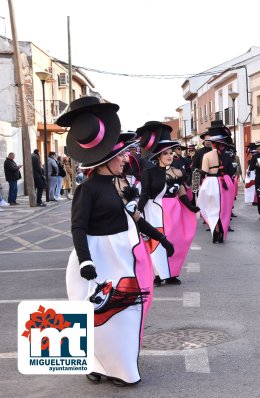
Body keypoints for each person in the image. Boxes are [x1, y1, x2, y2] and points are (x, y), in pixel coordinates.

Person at [57, 97, 175, 386]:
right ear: (107, 161)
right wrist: (85, 260)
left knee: (124, 316)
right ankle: (96, 364)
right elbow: (78, 227)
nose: (125, 159)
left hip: (121, 258)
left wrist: (161, 238)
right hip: (96, 259)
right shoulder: (87, 190)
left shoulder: (116, 186)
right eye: (121, 156)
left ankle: (119, 367)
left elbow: (134, 217)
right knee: (96, 315)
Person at [138, 124, 199, 286]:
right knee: (158, 242)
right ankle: (159, 274)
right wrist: (137, 212)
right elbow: (144, 194)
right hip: (155, 210)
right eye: (166, 153)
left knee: (177, 241)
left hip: (175, 211)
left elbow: (180, 192)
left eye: (171, 153)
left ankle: (172, 273)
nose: (170, 155)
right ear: (158, 156)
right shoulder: (148, 173)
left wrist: (190, 206)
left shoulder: (177, 171)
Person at [197, 121, 234, 243]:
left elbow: (204, 171)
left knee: (212, 208)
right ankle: (222, 230)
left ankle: (215, 230)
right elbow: (230, 171)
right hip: (225, 183)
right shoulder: (228, 155)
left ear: (212, 144)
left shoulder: (206, 155)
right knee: (224, 209)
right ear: (222, 144)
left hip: (211, 183)